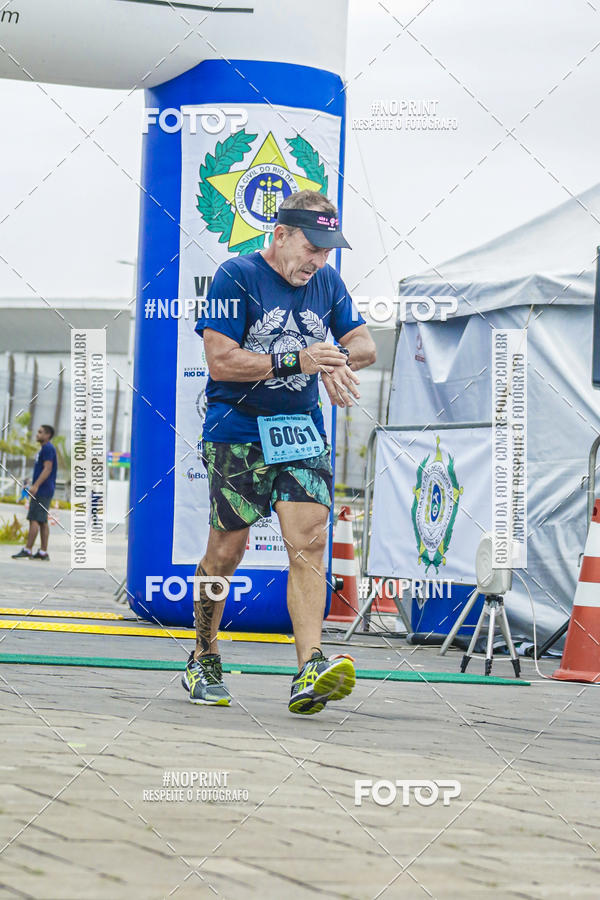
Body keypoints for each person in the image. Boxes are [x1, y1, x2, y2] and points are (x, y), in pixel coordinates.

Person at [181, 190, 376, 714]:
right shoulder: (235, 276)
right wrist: (299, 359)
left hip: (300, 429)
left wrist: (333, 360)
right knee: (229, 551)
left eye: (328, 251)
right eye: (312, 248)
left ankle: (310, 667)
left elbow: (365, 344)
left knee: (309, 540)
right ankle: (204, 655)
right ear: (281, 235)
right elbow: (222, 361)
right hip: (238, 429)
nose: (319, 262)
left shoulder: (327, 282)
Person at [12, 425, 58, 561]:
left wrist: (36, 485)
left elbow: (48, 468)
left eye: (40, 432)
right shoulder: (45, 449)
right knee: (42, 521)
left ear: (48, 435)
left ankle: (27, 549)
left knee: (34, 519)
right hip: (45, 489)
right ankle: (43, 552)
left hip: (42, 489)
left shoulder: (48, 448)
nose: (37, 434)